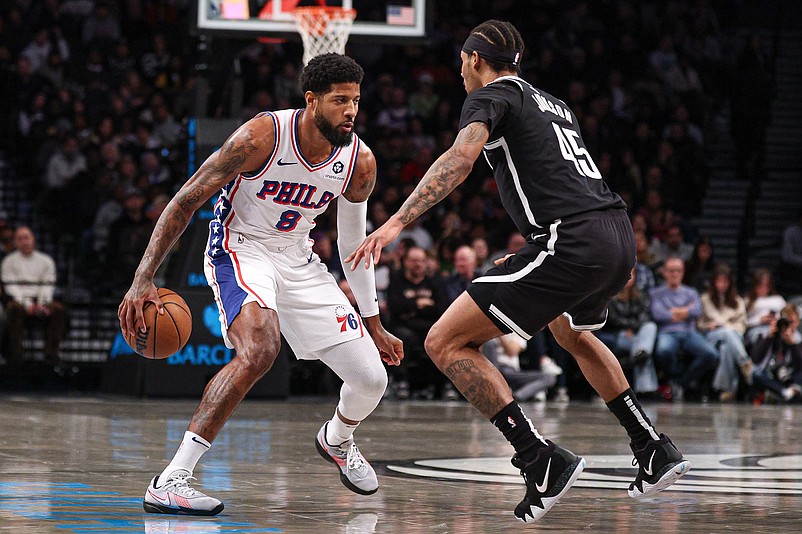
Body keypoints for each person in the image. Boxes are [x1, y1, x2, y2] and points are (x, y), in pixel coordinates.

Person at [346, 20, 689, 523]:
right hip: (613, 234)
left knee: (444, 342)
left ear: (475, 59)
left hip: (570, 240)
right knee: (571, 334)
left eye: (463, 61)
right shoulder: (553, 103)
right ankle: (651, 445)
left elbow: (459, 159)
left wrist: (396, 222)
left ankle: (537, 457)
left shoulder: (490, 96)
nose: (460, 70)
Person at [118, 54, 403, 516]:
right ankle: (172, 479)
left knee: (372, 379)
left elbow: (354, 245)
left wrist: (374, 323)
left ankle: (337, 438)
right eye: (339, 101)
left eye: (355, 100)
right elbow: (186, 199)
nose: (351, 110)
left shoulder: (359, 161)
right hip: (240, 246)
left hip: (299, 258)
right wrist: (143, 276)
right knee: (260, 351)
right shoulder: (261, 136)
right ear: (311, 101)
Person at [650, 257, 720, 400]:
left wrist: (673, 311)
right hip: (667, 332)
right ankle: (678, 378)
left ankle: (680, 383)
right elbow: (659, 314)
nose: (674, 274)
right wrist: (685, 311)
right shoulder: (656, 293)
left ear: (683, 272)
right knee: (663, 351)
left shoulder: (691, 292)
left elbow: (696, 311)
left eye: (678, 271)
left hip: (689, 332)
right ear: (664, 272)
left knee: (711, 354)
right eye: (671, 271)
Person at [1, 226, 66, 365]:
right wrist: (28, 305)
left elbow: (48, 285)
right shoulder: (8, 262)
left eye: (27, 238)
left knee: (59, 309)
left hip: (41, 298)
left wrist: (42, 304)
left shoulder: (46, 261)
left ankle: (51, 353)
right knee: (13, 309)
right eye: (20, 239)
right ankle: (16, 354)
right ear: (15, 242)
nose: (25, 242)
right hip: (19, 300)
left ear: (33, 239)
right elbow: (10, 286)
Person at [595, 269, 659, 396]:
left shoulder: (641, 295)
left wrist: (634, 329)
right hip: (619, 335)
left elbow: (645, 317)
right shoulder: (611, 296)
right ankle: (646, 389)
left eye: (632, 274)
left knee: (650, 326)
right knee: (643, 351)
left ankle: (640, 351)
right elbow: (613, 319)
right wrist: (629, 328)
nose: (629, 277)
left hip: (637, 334)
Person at [698, 264, 751, 402]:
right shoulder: (705, 299)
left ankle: (726, 390)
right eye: (719, 281)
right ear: (713, 282)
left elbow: (742, 324)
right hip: (712, 336)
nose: (722, 285)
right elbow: (699, 323)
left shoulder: (738, 301)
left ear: (730, 282)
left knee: (727, 347)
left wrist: (724, 325)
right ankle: (744, 361)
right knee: (726, 334)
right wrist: (709, 325)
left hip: (733, 335)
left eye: (725, 281)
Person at [749, 305, 802, 403]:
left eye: (792, 322)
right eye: (786, 322)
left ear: (798, 322)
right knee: (756, 374)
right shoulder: (768, 335)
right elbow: (755, 359)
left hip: (789, 377)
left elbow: (799, 367)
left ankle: (781, 394)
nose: (789, 326)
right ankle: (786, 393)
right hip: (770, 375)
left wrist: (792, 344)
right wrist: (769, 337)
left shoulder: (798, 340)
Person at [744, 268, 787, 346]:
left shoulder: (778, 299)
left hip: (777, 328)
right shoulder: (749, 300)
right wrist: (760, 320)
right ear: (755, 285)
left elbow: (787, 315)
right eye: (761, 285)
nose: (764, 289)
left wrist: (777, 320)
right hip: (757, 329)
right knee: (763, 335)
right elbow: (743, 322)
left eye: (767, 285)